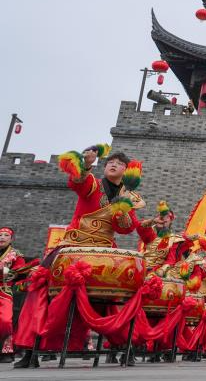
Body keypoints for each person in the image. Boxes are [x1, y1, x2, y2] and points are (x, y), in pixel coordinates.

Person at [13, 148, 157, 368]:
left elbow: (127, 228)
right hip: (74, 246)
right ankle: (29, 349)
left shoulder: (129, 197)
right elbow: (78, 183)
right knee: (40, 286)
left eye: (119, 163)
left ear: (126, 171)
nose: (113, 164)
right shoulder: (93, 184)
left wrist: (128, 214)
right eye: (110, 161)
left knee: (121, 293)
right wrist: (86, 165)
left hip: (103, 251)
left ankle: (125, 346)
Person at [0, 228, 26, 364]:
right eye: (0, 235)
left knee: (5, 321)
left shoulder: (16, 255)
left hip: (5, 291)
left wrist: (7, 272)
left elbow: (21, 272)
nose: (2, 237)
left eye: (6, 235)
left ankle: (6, 350)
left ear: (11, 239)